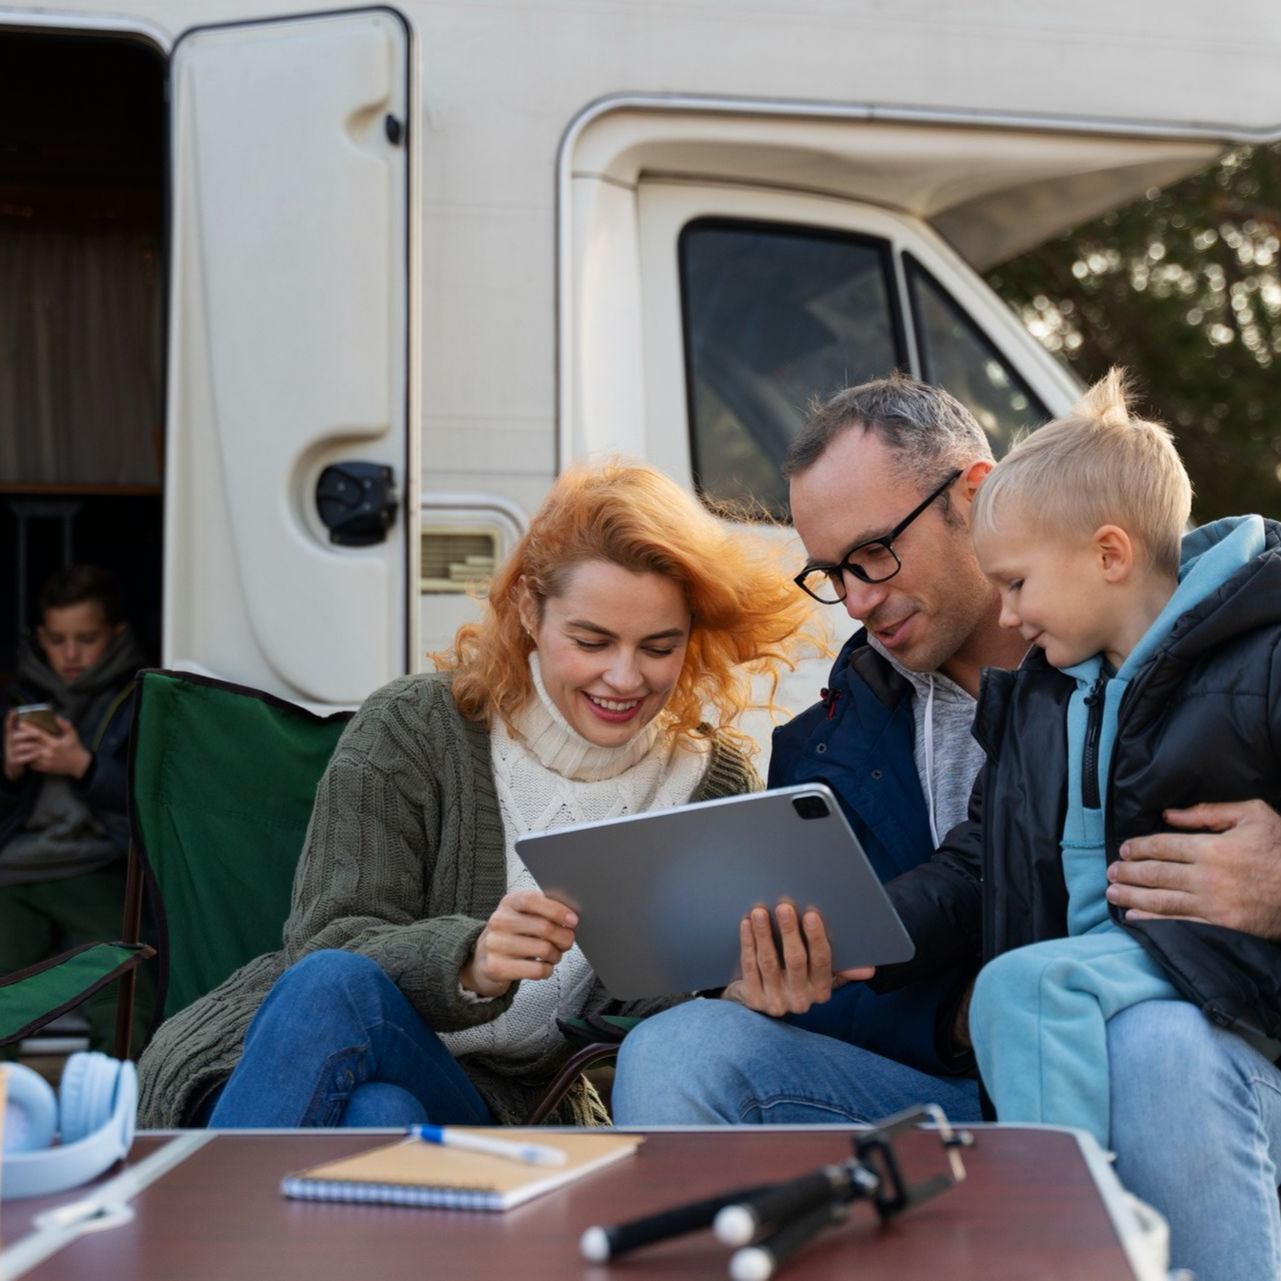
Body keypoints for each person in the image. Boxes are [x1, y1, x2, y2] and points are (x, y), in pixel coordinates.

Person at [610, 373, 1281, 1281]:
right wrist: (798, 973)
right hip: (952, 1083)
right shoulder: (830, 738)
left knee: (1152, 1044)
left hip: (1182, 1044)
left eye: (874, 553)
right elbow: (952, 886)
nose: (853, 599)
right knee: (676, 1047)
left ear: (971, 493)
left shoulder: (1208, 643)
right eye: (830, 573)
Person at [136, 459, 819, 1130]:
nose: (624, 676)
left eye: (658, 647)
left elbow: (654, 1025)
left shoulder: (709, 781)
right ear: (528, 607)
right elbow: (326, 944)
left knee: (390, 1109)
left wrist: (735, 993)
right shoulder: (414, 726)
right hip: (287, 1050)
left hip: (488, 1100)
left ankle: (203, 1232)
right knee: (360, 1059)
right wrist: (471, 959)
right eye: (591, 639)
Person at [1, 564, 152, 1055]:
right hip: (15, 873)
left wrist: (83, 767)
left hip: (98, 868)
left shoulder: (142, 696)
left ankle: (117, 1117)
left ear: (116, 634)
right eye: (57, 639)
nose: (70, 655)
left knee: (126, 995)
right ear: (39, 637)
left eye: (86, 639)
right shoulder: (14, 695)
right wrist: (7, 773)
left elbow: (151, 802)